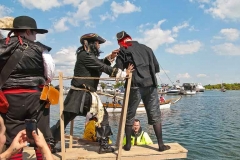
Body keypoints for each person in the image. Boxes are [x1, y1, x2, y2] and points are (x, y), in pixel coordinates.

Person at [50, 33, 134, 154]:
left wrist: (110, 57)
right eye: (97, 43)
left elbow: (98, 64)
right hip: (83, 94)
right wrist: (124, 74)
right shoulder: (85, 56)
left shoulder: (85, 55)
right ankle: (104, 145)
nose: (99, 45)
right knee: (102, 116)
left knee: (65, 119)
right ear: (90, 44)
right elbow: (101, 66)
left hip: (78, 94)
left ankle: (50, 143)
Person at [0, 15, 55, 159]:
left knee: (13, 138)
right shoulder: (41, 49)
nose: (36, 37)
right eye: (35, 33)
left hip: (8, 99)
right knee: (41, 135)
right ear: (29, 31)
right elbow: (49, 74)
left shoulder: (1, 46)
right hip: (36, 98)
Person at [115, 31, 170, 152]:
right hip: (150, 85)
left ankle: (128, 145)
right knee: (155, 115)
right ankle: (161, 145)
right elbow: (156, 68)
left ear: (120, 42)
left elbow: (117, 71)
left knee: (129, 115)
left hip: (134, 85)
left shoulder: (123, 50)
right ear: (130, 38)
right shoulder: (148, 49)